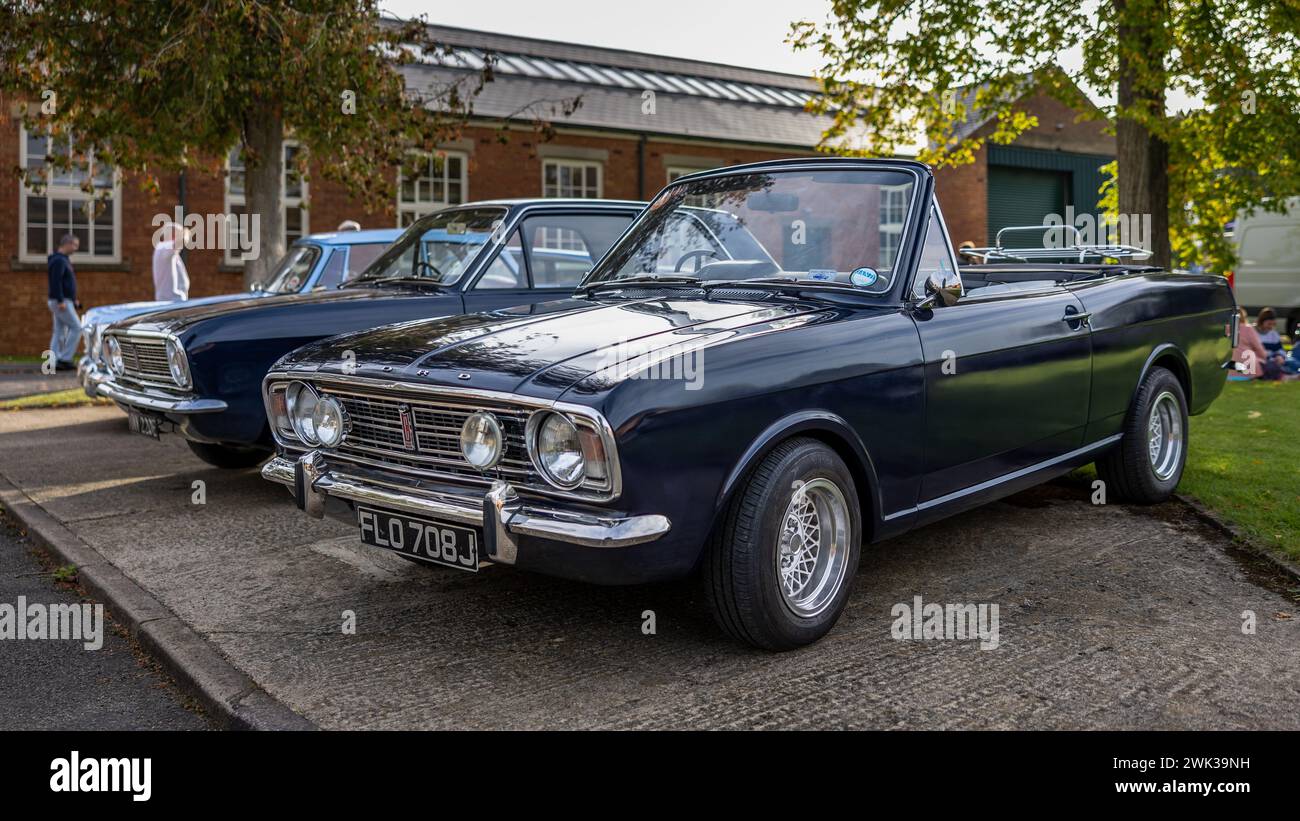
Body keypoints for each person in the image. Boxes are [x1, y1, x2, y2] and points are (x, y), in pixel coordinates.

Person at [46, 233, 81, 371]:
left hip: (63, 300)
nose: (76, 248)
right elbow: (56, 282)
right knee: (77, 328)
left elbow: (65, 283)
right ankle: (65, 359)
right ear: (67, 244)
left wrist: (74, 300)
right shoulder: (59, 260)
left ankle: (53, 362)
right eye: (75, 245)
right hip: (60, 301)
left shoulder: (62, 259)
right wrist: (61, 300)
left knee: (59, 331)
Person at [1231, 307, 1283, 380]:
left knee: (1289, 363)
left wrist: (1280, 356)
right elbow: (1260, 352)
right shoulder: (1249, 330)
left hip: (1232, 369)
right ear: (1262, 321)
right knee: (1274, 367)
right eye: (1269, 324)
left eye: (1273, 324)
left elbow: (1279, 349)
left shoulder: (1274, 335)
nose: (1271, 327)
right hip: (1253, 365)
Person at [152, 222, 190, 302]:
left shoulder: (171, 253)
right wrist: (186, 234)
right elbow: (181, 242)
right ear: (173, 236)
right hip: (169, 302)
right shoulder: (163, 247)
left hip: (174, 301)